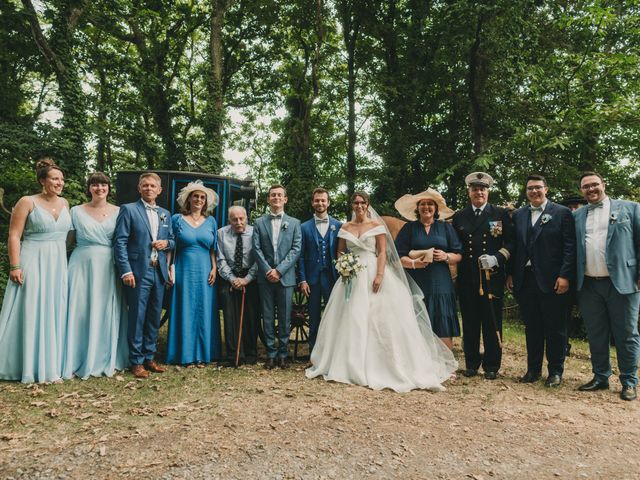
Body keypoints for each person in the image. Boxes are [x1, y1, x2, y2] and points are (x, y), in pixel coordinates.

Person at [305, 192, 458, 392]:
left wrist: (379, 275)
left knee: (381, 317)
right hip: (351, 275)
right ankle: (349, 362)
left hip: (373, 272)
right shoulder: (345, 227)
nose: (359, 206)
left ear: (368, 205)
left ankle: (386, 363)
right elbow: (341, 252)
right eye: (356, 203)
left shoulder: (377, 226)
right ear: (352, 205)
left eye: (362, 202)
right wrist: (344, 266)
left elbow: (382, 252)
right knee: (352, 317)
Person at [0, 158, 71, 383]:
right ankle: (23, 364)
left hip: (57, 261)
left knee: (53, 308)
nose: (59, 183)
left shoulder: (66, 203)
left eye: (61, 179)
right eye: (54, 178)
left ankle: (49, 363)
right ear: (42, 181)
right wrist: (15, 265)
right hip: (32, 257)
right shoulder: (26, 201)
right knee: (30, 307)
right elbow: (13, 235)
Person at [574, 172, 640, 401]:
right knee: (596, 333)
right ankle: (601, 376)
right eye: (585, 187)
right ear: (581, 190)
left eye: (594, 185)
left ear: (604, 185)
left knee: (627, 334)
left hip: (623, 282)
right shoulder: (578, 215)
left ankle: (629, 381)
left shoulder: (630, 208)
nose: (590, 189)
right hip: (589, 284)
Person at [506, 175, 576, 388]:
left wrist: (564, 275)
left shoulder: (561, 213)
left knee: (555, 328)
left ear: (546, 189)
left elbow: (570, 247)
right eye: (530, 188)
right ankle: (533, 370)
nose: (534, 191)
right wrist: (510, 273)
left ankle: (555, 372)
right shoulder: (518, 215)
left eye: (538, 187)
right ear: (525, 191)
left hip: (553, 280)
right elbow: (514, 247)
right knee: (532, 327)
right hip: (525, 280)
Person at [63, 172, 128, 379]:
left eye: (103, 184)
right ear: (89, 188)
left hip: (109, 266)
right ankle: (74, 359)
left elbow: (125, 241)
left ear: (109, 188)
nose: (99, 188)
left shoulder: (120, 212)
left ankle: (104, 356)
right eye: (94, 184)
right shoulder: (75, 211)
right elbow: (67, 241)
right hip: (81, 264)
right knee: (79, 310)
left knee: (106, 309)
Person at [452, 172, 514, 380]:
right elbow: (456, 245)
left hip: (491, 277)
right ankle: (471, 363)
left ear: (488, 192)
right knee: (470, 322)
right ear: (469, 192)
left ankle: (491, 365)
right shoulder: (459, 216)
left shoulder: (500, 214)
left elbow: (512, 243)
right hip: (467, 277)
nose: (479, 192)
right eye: (475, 189)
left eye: (483, 189)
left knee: (491, 321)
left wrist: (497, 258)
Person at [114, 172, 175, 378]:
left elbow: (173, 241)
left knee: (153, 315)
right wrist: (126, 270)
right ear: (139, 189)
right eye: (145, 185)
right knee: (137, 316)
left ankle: (150, 357)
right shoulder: (129, 210)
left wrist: (167, 243)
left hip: (159, 271)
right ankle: (136, 361)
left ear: (159, 190)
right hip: (139, 271)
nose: (149, 189)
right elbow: (120, 241)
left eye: (153, 186)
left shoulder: (165, 213)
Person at [395, 189, 462, 350]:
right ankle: (418, 363)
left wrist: (446, 256)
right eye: (422, 204)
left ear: (436, 208)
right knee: (416, 320)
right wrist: (413, 263)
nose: (426, 207)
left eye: (430, 204)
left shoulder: (445, 228)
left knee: (443, 318)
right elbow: (398, 257)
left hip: (441, 281)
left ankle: (446, 364)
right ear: (417, 208)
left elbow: (458, 255)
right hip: (416, 281)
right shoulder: (409, 228)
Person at [165, 180, 220, 365]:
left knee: (204, 309)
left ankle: (204, 354)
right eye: (195, 196)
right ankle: (184, 354)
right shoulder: (176, 219)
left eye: (202, 197)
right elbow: (171, 247)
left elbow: (213, 248)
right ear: (188, 199)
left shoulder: (211, 221)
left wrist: (214, 268)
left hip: (205, 270)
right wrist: (168, 269)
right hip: (183, 269)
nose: (199, 200)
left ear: (206, 202)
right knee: (184, 308)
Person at [252, 184, 302, 369]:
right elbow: (256, 249)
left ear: (285, 199)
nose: (276, 198)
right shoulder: (258, 223)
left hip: (286, 277)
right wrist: (268, 270)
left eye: (280, 195)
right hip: (265, 277)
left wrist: (279, 270)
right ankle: (270, 354)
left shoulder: (295, 223)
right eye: (273, 195)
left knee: (285, 317)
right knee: (266, 316)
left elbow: (296, 249)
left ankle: (283, 353)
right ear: (268, 199)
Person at [298, 188, 342, 354]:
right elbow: (301, 256)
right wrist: (302, 280)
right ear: (312, 202)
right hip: (312, 279)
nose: (320, 203)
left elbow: (342, 252)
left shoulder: (338, 225)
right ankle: (314, 353)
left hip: (332, 277)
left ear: (328, 203)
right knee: (314, 317)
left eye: (323, 200)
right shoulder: (304, 227)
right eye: (317, 200)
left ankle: (333, 353)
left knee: (334, 315)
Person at [217, 206, 259, 366]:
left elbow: (258, 259)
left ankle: (250, 353)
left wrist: (247, 279)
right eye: (234, 219)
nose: (238, 222)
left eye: (241, 218)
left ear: (247, 218)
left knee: (251, 316)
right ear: (229, 220)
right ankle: (233, 354)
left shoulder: (255, 232)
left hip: (250, 277)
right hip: (229, 278)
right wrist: (232, 279)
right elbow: (220, 260)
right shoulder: (221, 233)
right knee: (229, 316)